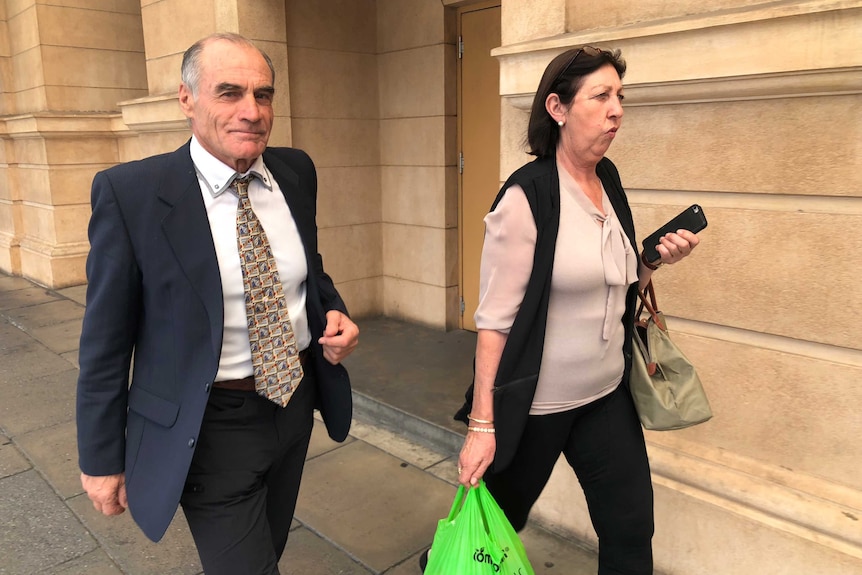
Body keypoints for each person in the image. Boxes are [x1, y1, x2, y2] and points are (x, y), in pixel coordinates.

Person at [76, 32, 359, 575]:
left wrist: (334, 312)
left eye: (264, 94)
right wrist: (101, 458)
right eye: (229, 93)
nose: (251, 112)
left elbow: (306, 269)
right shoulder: (131, 194)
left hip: (293, 405)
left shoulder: (295, 172)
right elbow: (105, 342)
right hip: (208, 427)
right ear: (187, 99)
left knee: (266, 550)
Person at [452, 46, 700, 574]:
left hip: (606, 398)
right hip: (537, 407)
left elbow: (620, 282)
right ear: (558, 108)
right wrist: (481, 426)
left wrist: (653, 262)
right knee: (492, 526)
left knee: (631, 529)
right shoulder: (526, 198)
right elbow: (494, 323)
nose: (617, 110)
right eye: (601, 96)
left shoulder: (607, 180)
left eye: (620, 97)